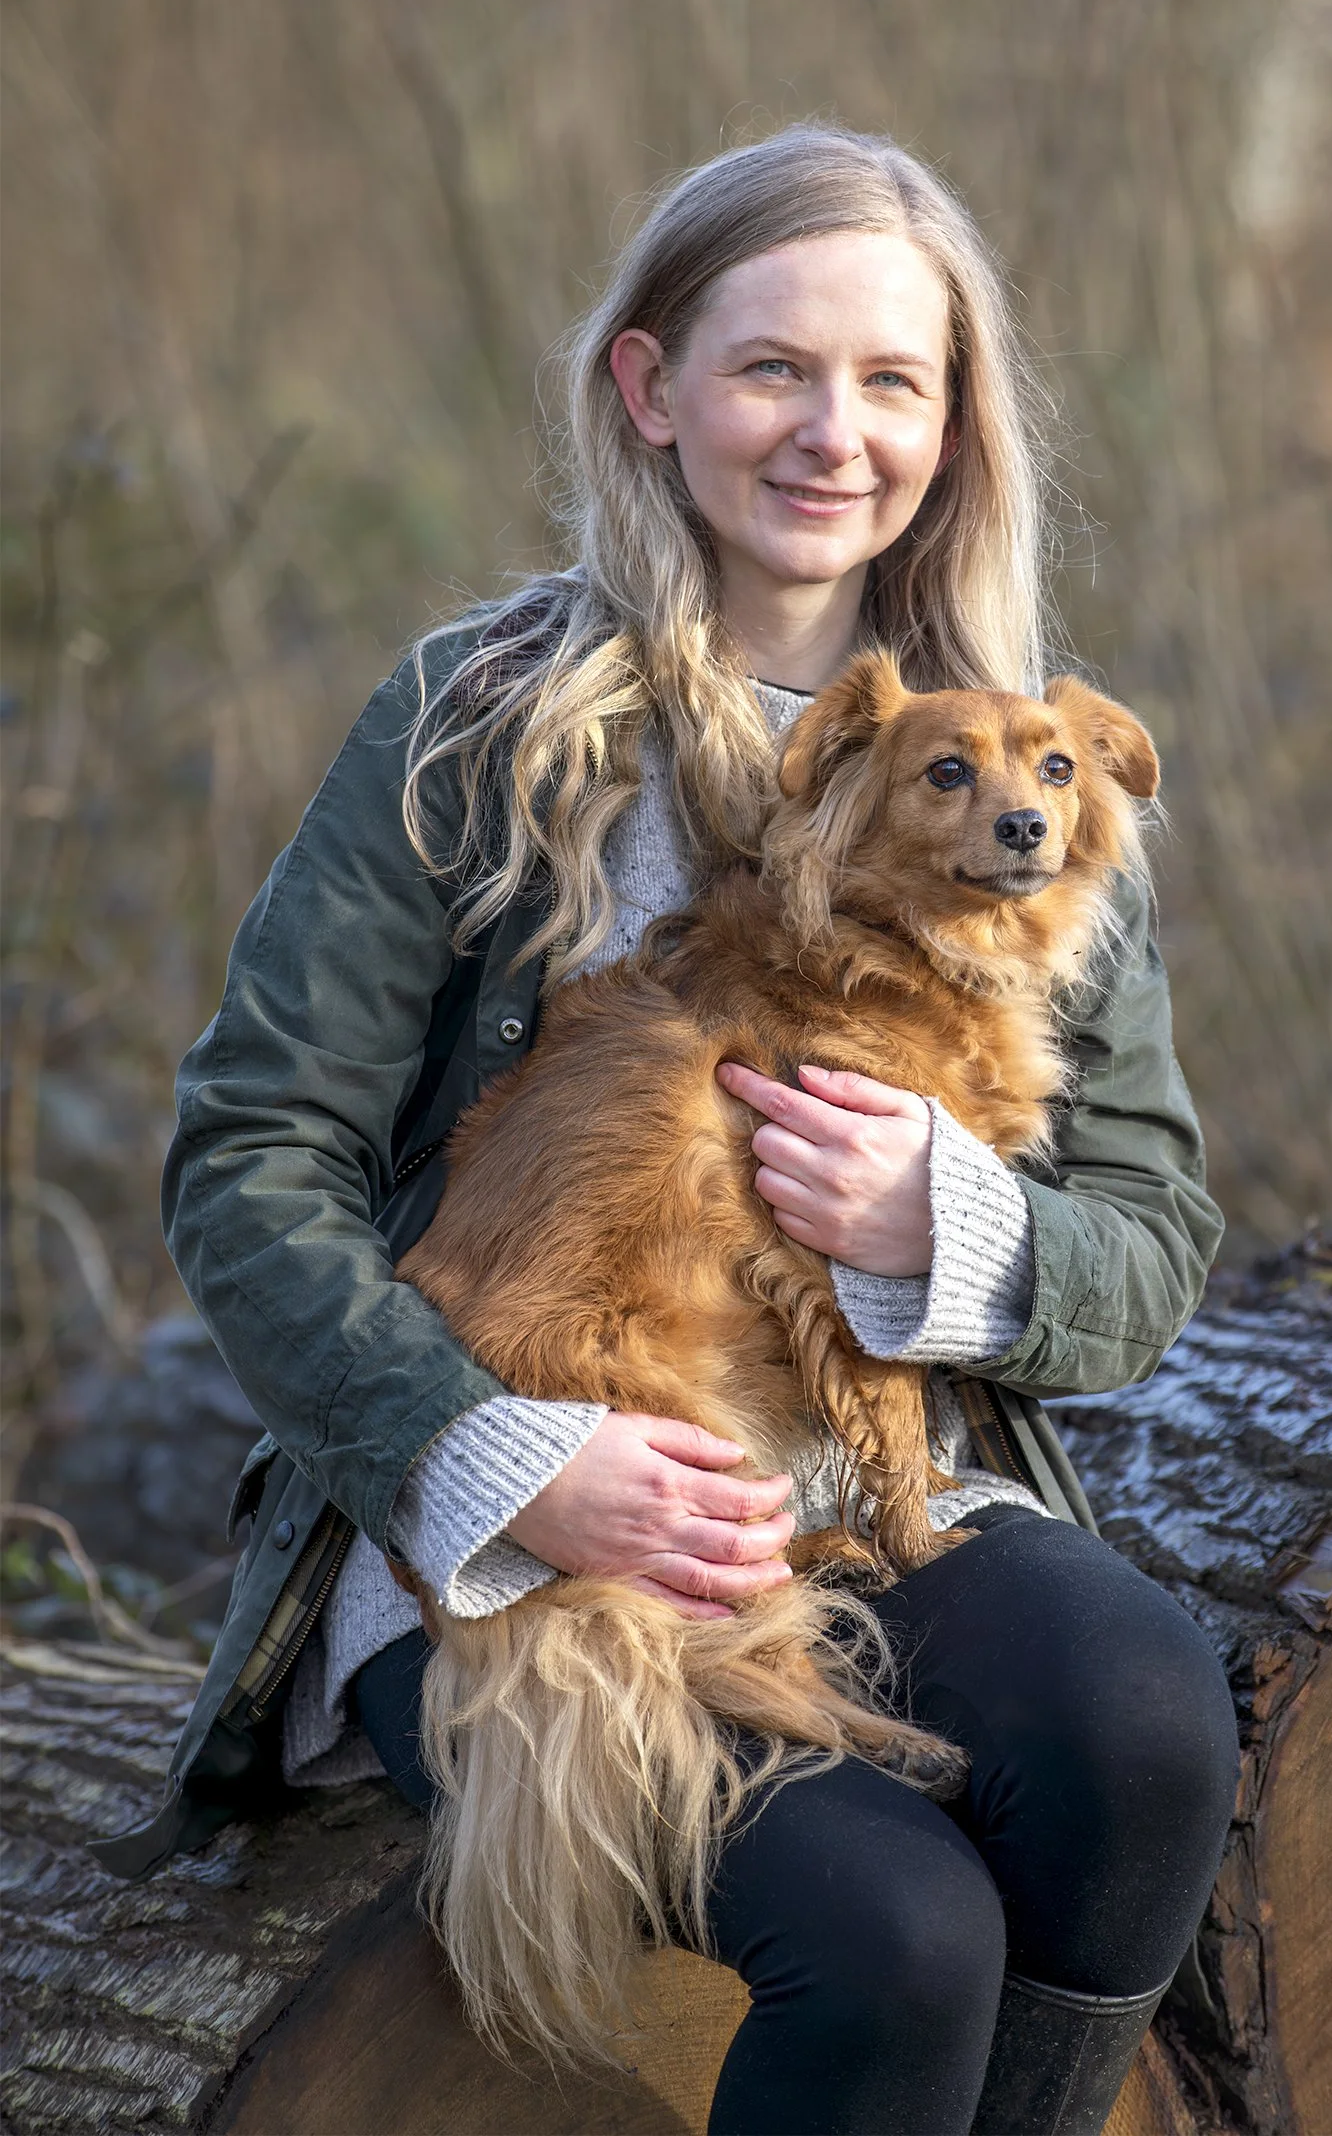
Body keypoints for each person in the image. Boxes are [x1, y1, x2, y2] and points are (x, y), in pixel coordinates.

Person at [96, 127, 1239, 2136]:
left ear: (955, 416)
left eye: (893, 376)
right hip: (499, 1506)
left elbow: (1149, 1232)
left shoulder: (1031, 789)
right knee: (891, 1942)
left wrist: (948, 1226)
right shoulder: (478, 721)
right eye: (770, 366)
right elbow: (254, 1149)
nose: (834, 428)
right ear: (650, 390)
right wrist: (505, 1454)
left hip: (873, 1467)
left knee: (1145, 1719)